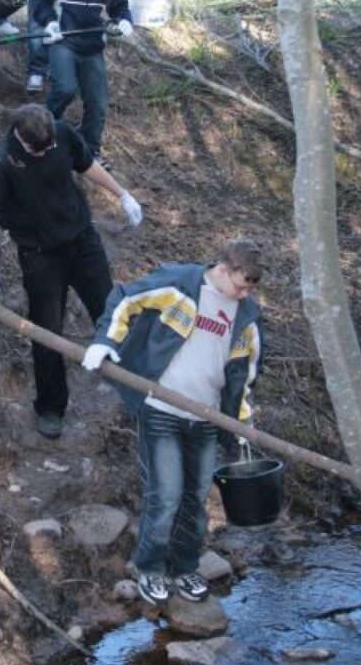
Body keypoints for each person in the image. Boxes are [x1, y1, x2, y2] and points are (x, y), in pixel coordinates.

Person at [82, 238, 264, 605]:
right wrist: (104, 340)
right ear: (224, 269)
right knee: (164, 496)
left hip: (206, 417)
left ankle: (184, 569)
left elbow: (243, 375)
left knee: (195, 499)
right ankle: (149, 568)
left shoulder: (245, 316)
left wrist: (241, 425)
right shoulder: (180, 284)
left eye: (250, 287)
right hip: (161, 409)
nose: (244, 294)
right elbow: (124, 298)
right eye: (241, 284)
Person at [0, 104, 143, 440]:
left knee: (111, 312)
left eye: (49, 146)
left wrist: (122, 194)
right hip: (39, 255)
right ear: (21, 139)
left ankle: (137, 391)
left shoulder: (61, 134)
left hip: (82, 241)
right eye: (39, 149)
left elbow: (87, 164)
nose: (45, 151)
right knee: (47, 331)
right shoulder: (3, 162)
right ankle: (51, 407)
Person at [32, 0, 134, 166]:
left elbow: (120, 6)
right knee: (66, 89)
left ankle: (91, 150)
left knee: (97, 102)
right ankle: (37, 133)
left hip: (93, 47)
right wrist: (49, 22)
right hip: (62, 41)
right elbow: (39, 0)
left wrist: (125, 20)